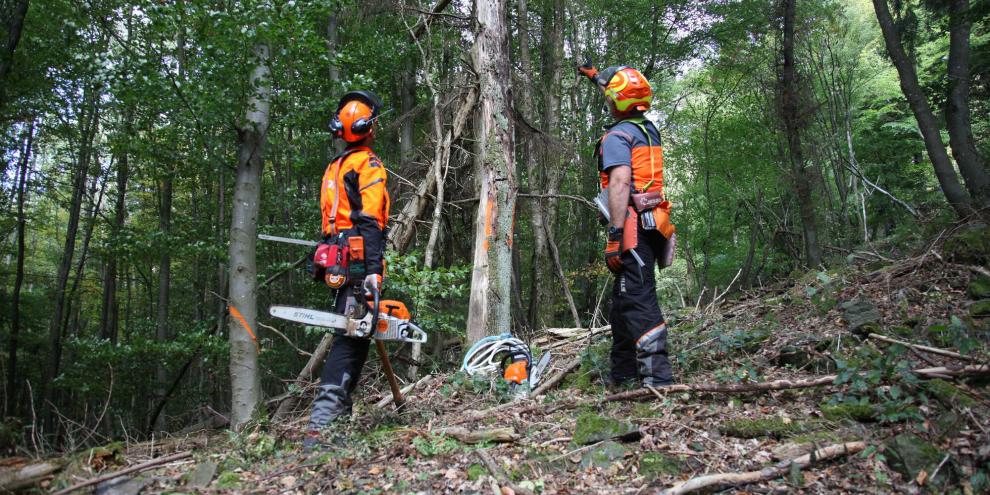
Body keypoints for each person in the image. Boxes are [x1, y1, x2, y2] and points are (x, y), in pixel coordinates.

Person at [580, 64, 675, 389]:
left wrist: (615, 233)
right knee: (622, 302)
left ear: (615, 102)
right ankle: (622, 375)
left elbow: (620, 183)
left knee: (637, 298)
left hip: (632, 226)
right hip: (653, 223)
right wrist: (595, 77)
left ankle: (658, 380)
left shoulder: (617, 137)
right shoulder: (645, 129)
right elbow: (623, 98)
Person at [304, 90, 390, 447]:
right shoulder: (366, 166)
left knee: (356, 335)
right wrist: (373, 270)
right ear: (366, 129)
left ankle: (336, 420)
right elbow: (371, 220)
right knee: (351, 337)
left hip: (340, 257)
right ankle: (323, 425)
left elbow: (331, 223)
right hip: (358, 261)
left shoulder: (333, 168)